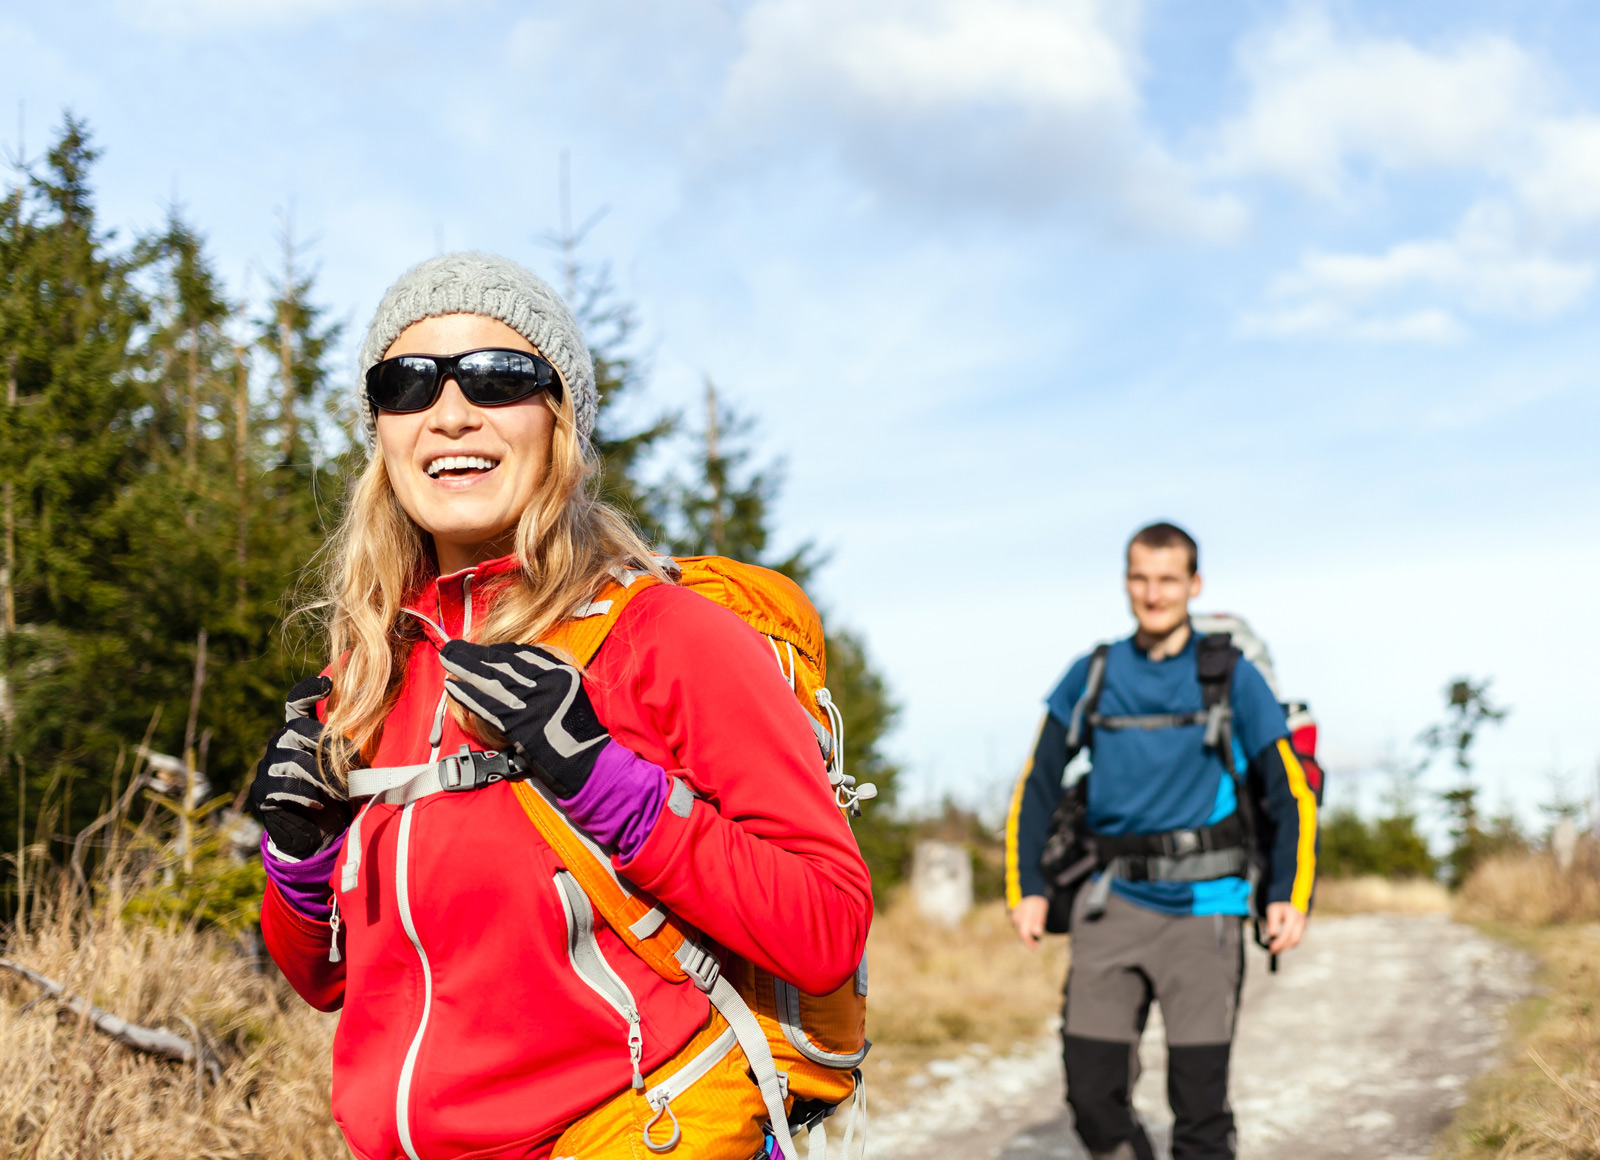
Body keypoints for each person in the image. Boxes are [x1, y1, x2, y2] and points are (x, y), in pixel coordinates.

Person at [248, 252, 872, 1160]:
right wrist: (300, 860)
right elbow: (327, 981)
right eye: (408, 382)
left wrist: (607, 785)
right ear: (380, 429)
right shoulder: (369, 674)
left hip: (634, 1135)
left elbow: (826, 926)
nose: (450, 413)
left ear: (561, 418)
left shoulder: (665, 635)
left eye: (498, 377)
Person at [1004, 522, 1318, 1160]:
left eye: (1168, 579)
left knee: (1200, 1109)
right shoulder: (1093, 672)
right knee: (1092, 1098)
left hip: (1206, 912)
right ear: (1126, 581)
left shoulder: (1232, 676)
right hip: (1109, 906)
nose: (1153, 594)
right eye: (1141, 578)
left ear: (1194, 585)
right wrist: (1027, 887)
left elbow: (1290, 791)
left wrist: (1289, 891)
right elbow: (1037, 782)